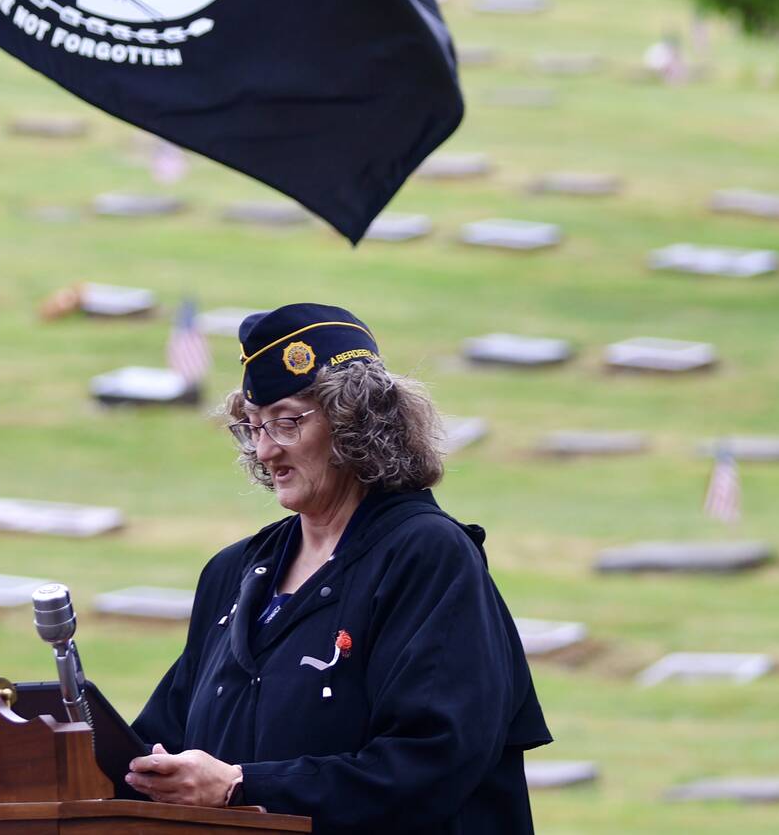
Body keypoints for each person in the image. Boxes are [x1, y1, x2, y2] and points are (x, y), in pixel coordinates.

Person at [127, 303, 550, 834]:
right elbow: (153, 745)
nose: (264, 450)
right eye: (252, 427)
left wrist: (241, 785)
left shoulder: (428, 556)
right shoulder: (231, 572)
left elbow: (432, 762)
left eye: (286, 422)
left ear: (357, 421)